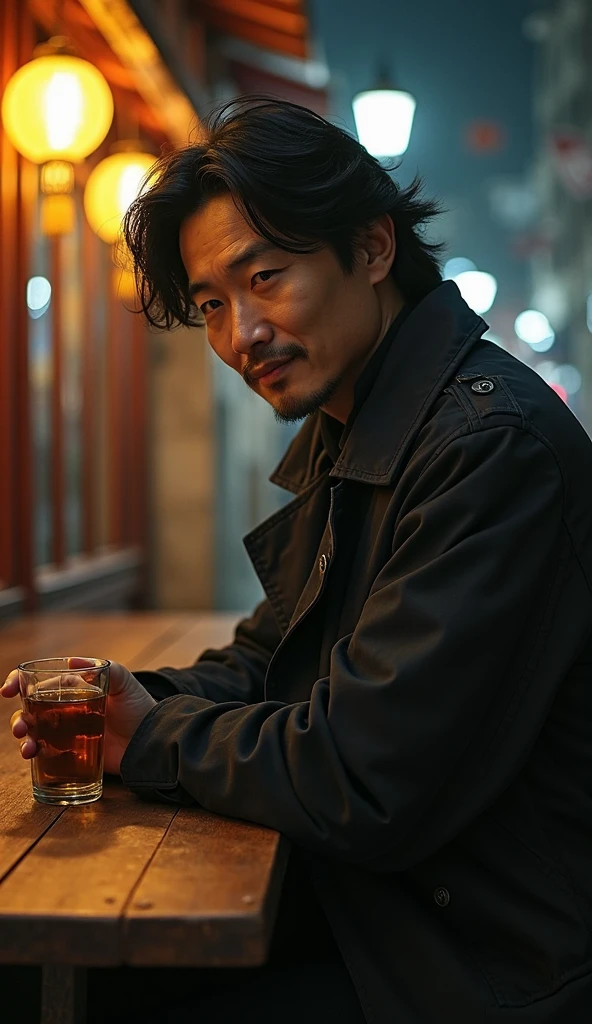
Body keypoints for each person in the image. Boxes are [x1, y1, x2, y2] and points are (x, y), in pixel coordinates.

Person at [3, 97, 592, 1023]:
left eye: (266, 277)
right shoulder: (362, 424)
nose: (242, 335)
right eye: (212, 305)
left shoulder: (484, 448)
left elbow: (362, 777)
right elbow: (271, 658)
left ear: (372, 248)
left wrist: (148, 738)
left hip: (474, 962)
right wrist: (125, 696)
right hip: (381, 907)